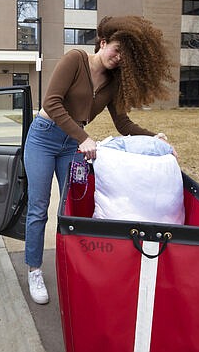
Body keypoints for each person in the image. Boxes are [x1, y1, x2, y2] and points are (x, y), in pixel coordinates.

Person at [23, 15, 176, 304]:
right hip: (43, 137)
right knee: (39, 208)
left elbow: (124, 124)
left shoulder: (113, 83)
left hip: (73, 145)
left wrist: (154, 138)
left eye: (124, 56)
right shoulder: (75, 59)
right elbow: (51, 102)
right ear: (103, 42)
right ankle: (34, 269)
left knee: (76, 209)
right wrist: (83, 138)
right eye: (116, 50)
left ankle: (78, 268)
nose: (118, 58)